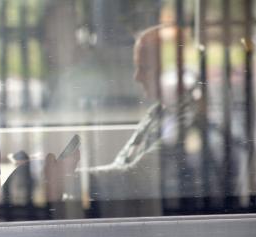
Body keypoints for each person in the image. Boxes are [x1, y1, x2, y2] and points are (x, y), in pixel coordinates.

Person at [43, 25, 202, 209]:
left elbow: (138, 181)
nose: (137, 77)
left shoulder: (186, 119)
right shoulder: (159, 112)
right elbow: (122, 165)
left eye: (145, 68)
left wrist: (71, 179)